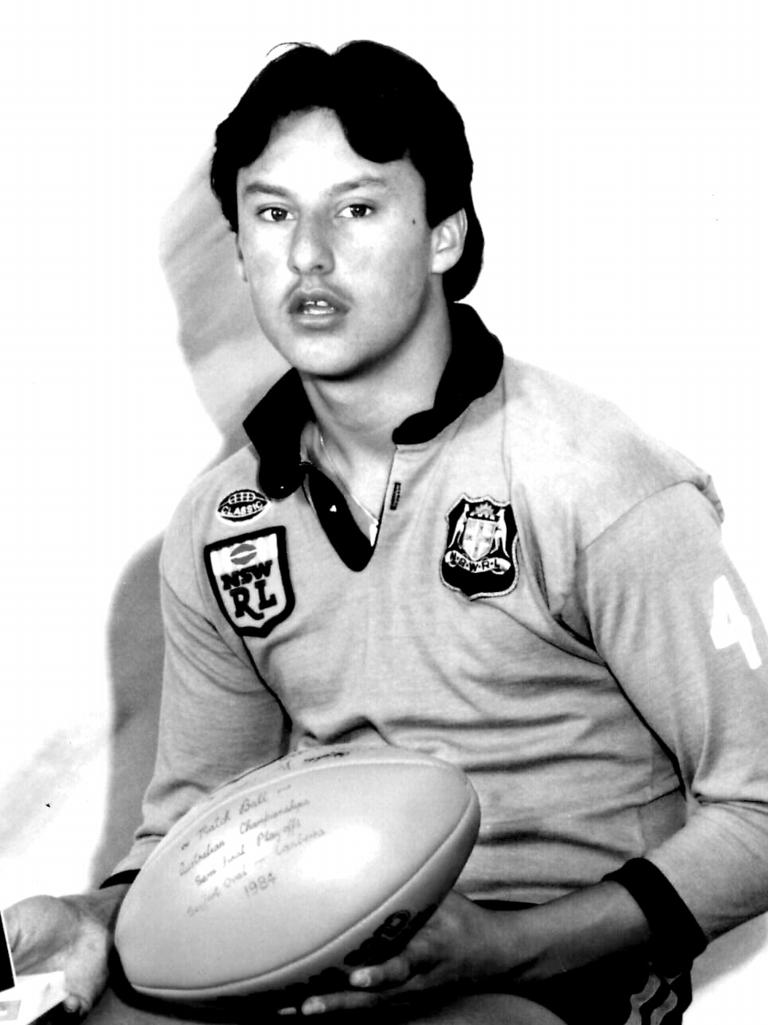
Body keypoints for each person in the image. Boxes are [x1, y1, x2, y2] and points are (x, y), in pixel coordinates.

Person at [5, 40, 768, 1025]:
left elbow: (761, 807)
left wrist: (510, 946)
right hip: (323, 955)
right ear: (239, 246)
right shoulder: (220, 522)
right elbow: (203, 818)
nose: (308, 255)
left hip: (554, 969)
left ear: (445, 234)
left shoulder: (596, 477)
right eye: (272, 213)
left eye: (356, 209)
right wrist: (95, 915)